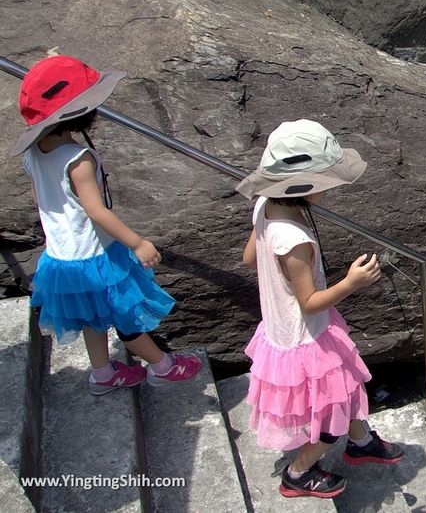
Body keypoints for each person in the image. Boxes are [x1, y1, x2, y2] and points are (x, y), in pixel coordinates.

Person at [11, 55, 201, 394]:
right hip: (95, 257)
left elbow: (39, 200)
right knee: (127, 316)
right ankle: (162, 366)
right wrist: (137, 243)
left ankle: (102, 373)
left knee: (90, 317)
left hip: (60, 258)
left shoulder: (34, 153)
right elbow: (97, 212)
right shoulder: (78, 159)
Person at [237, 119, 404, 499]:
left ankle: (361, 444)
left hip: (281, 328)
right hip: (306, 339)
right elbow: (309, 301)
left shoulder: (265, 205)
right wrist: (351, 283)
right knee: (332, 414)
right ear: (304, 185)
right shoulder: (295, 240)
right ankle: (298, 472)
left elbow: (250, 257)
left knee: (346, 390)